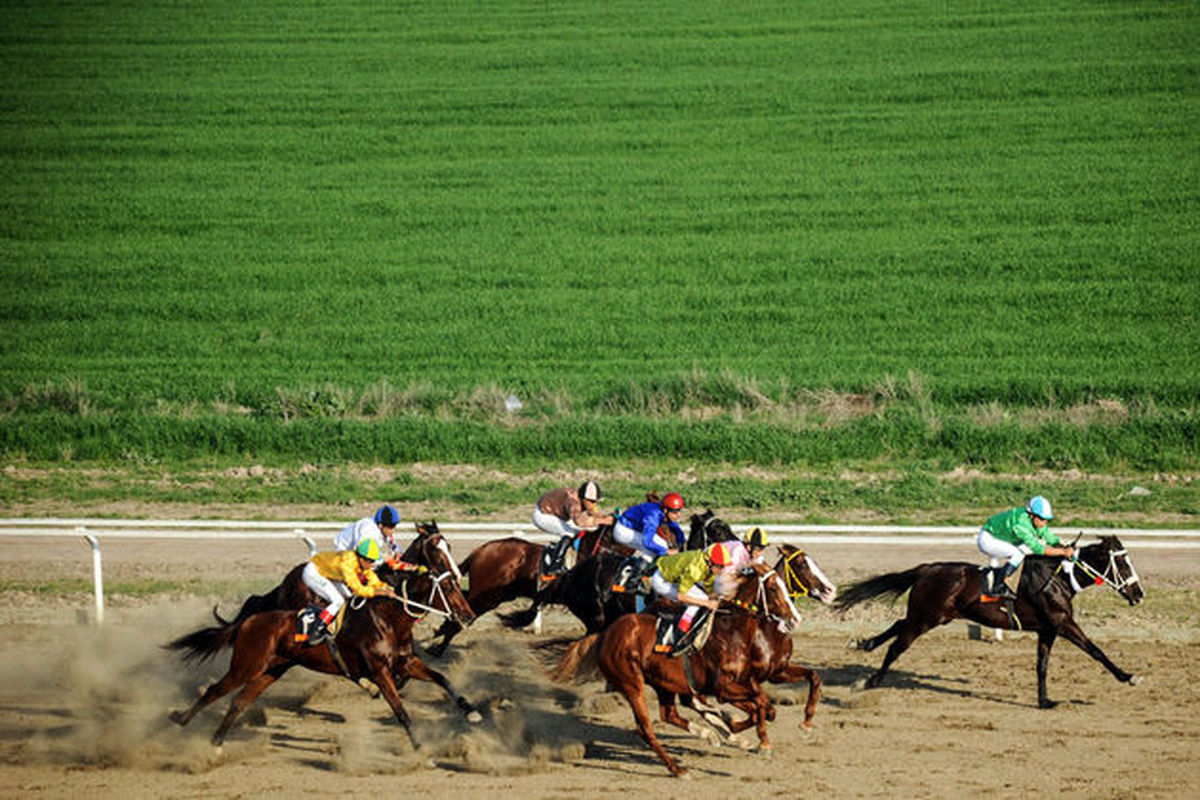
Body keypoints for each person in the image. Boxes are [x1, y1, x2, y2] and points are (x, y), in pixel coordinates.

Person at [296, 538, 397, 645]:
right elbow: (358, 590)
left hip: (327, 573)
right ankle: (318, 628)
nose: (373, 564)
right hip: (313, 573)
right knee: (338, 600)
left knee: (347, 595)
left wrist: (385, 587)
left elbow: (371, 578)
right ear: (362, 559)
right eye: (371, 561)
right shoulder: (347, 565)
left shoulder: (360, 561)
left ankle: (334, 622)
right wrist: (380, 592)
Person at [976, 495, 1075, 600]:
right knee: (1019, 553)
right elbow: (1038, 548)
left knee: (1021, 551)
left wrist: (1062, 544)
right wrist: (1063, 552)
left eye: (1047, 520)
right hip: (987, 539)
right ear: (1031, 515)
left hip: (1000, 538)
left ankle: (997, 579)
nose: (1044, 522)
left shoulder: (1033, 520)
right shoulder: (1020, 523)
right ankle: (998, 586)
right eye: (1042, 519)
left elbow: (1047, 535)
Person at [648, 542, 732, 653]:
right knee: (699, 602)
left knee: (704, 598)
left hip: (673, 578)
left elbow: (709, 590)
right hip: (661, 581)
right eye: (720, 566)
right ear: (710, 562)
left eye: (723, 566)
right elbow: (681, 596)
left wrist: (722, 596)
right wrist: (706, 603)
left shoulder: (708, 565)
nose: (721, 570)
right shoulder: (695, 568)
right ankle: (679, 634)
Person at [533, 480, 615, 576]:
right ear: (585, 499)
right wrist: (604, 521)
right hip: (543, 515)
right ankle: (555, 565)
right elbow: (579, 522)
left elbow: (593, 513)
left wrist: (605, 517)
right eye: (592, 501)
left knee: (577, 532)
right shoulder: (573, 503)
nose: (595, 504)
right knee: (569, 533)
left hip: (556, 514)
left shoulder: (582, 498)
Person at [611, 492, 687, 593]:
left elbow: (675, 527)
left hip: (632, 529)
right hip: (622, 530)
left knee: (660, 544)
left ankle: (645, 573)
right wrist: (667, 552)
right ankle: (632, 583)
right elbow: (647, 541)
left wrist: (683, 543)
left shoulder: (663, 512)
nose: (678, 515)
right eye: (675, 512)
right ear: (665, 510)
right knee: (657, 547)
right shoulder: (652, 516)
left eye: (679, 511)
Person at [333, 505, 402, 566]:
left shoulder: (382, 527)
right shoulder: (368, 532)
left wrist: (397, 551)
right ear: (380, 525)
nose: (394, 530)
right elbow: (362, 555)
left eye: (395, 526)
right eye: (391, 527)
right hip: (344, 549)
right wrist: (383, 559)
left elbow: (391, 542)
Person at [714, 526, 769, 597]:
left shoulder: (754, 555)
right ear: (749, 547)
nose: (760, 553)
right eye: (758, 550)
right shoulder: (737, 551)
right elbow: (723, 580)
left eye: (762, 550)